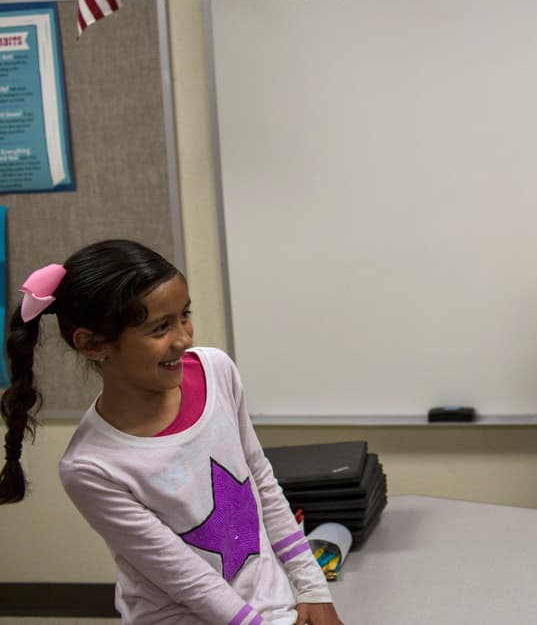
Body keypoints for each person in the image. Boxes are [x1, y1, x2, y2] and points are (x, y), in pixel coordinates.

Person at [0, 239, 342, 625]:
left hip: (271, 601)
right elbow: (188, 581)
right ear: (93, 344)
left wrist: (312, 588)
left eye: (185, 315)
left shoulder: (217, 371)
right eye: (160, 327)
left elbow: (261, 479)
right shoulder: (90, 467)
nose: (184, 338)